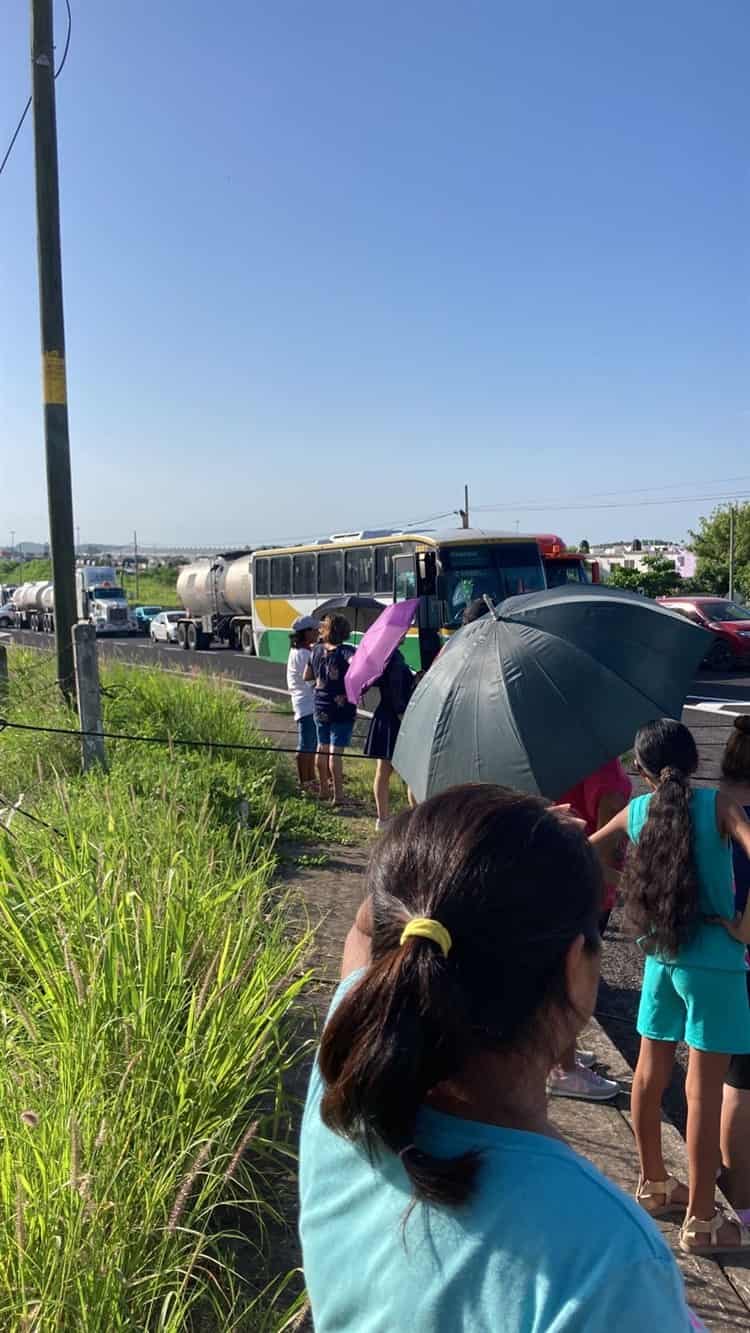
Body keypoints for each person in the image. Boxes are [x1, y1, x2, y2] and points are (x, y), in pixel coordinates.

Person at [299, 786, 699, 1331]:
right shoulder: (608, 1259)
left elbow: (370, 925)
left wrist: (470, 845)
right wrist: (505, 842)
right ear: (575, 970)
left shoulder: (345, 1079)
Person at [591, 719, 750, 1256]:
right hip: (715, 960)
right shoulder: (717, 806)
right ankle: (702, 1222)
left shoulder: (636, 811)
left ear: (640, 769)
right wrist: (746, 926)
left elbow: (589, 852)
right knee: (701, 1092)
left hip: (660, 952)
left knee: (648, 1072)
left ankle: (654, 1185)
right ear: (695, 761)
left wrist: (629, 888)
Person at [548, 757, 632, 1102]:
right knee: (576, 981)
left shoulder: (561, 758)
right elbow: (601, 851)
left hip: (561, 876)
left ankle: (560, 1051)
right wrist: (634, 888)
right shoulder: (606, 772)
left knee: (561, 973)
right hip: (591, 888)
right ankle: (565, 1069)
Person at [718, 716, 750, 1217]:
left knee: (733, 1071)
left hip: (722, 956)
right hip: (744, 948)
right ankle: (741, 1198)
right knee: (742, 1079)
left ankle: (734, 1189)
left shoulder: (713, 803)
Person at [304, 614, 356, 805]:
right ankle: (338, 796)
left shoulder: (315, 650)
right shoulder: (346, 651)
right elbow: (355, 666)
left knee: (322, 747)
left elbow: (306, 676)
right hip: (341, 707)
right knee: (336, 753)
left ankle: (324, 790)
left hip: (320, 704)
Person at [363, 647, 415, 831]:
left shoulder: (386, 656)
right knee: (410, 772)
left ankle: (383, 818)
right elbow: (395, 690)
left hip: (385, 715)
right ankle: (415, 818)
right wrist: (401, 713)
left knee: (383, 771)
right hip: (395, 717)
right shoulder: (393, 658)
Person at [286, 616, 319, 792]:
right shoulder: (303, 654)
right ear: (306, 633)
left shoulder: (301, 651)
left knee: (311, 744)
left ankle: (311, 779)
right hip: (306, 704)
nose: (317, 632)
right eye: (314, 630)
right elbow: (311, 681)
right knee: (306, 745)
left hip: (305, 703)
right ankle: (304, 782)